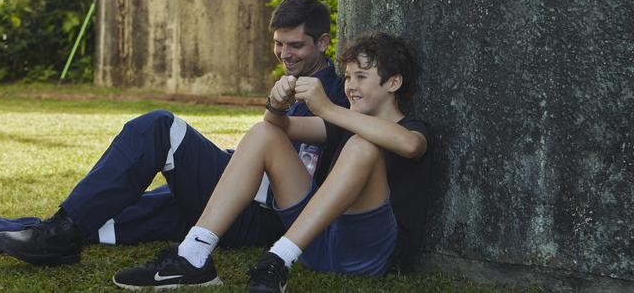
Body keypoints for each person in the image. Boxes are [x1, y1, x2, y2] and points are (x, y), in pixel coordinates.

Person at [0, 0, 349, 265]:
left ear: (322, 42)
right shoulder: (296, 80)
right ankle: (28, 232)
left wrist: (278, 108)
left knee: (160, 126)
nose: (284, 54)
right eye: (278, 43)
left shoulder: (337, 95)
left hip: (262, 216)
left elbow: (288, 135)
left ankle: (55, 235)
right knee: (105, 215)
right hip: (236, 189)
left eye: (296, 45)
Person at [111, 32, 431, 291]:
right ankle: (194, 255)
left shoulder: (413, 129)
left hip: (366, 253)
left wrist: (328, 108)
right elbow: (280, 127)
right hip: (317, 242)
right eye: (347, 77)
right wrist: (276, 104)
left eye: (361, 77)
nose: (349, 86)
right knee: (264, 132)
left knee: (364, 146)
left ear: (393, 83)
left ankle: (277, 259)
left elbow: (409, 145)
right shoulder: (342, 122)